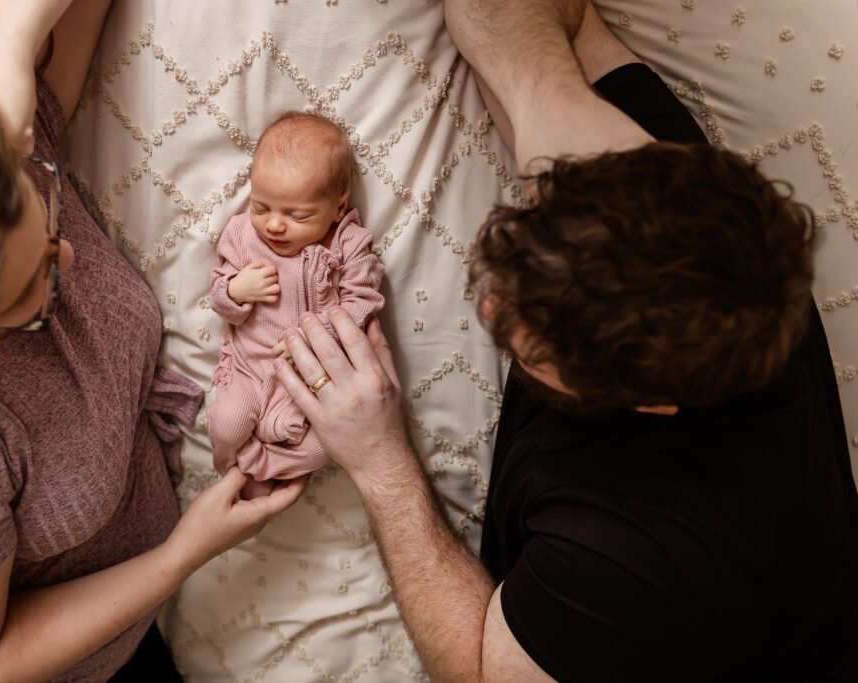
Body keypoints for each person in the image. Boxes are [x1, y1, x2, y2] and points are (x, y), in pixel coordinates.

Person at [272, 0, 858, 681]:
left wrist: (381, 462)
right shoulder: (678, 216)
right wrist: (552, 94)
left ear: (652, 404)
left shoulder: (635, 557)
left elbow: (483, 671)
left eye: (540, 347)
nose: (493, 306)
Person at [0, 1, 305, 680]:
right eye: (34, 283)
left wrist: (2, 39)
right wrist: (181, 553)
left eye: (43, 206)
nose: (70, 259)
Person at [207, 112, 384, 500]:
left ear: (338, 208)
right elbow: (218, 295)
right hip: (250, 370)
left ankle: (266, 463)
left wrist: (317, 335)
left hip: (313, 379)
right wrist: (236, 289)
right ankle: (237, 467)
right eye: (261, 207)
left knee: (325, 448)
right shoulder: (241, 234)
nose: (273, 225)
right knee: (226, 422)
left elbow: (363, 300)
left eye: (297, 215)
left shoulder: (348, 244)